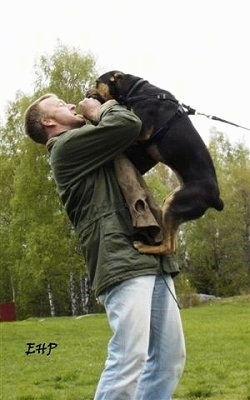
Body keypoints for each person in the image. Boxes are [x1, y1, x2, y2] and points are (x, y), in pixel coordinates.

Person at [24, 93, 186, 400]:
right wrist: (101, 108)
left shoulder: (99, 148)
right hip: (121, 259)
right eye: (60, 105)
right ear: (48, 122)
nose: (71, 105)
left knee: (169, 362)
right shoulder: (65, 149)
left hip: (152, 255)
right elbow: (127, 124)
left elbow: (142, 144)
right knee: (129, 358)